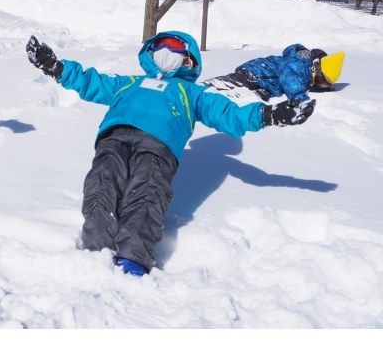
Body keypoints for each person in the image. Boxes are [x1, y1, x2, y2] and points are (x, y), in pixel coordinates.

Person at [26, 31, 316, 277]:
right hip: (114, 137)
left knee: (147, 191)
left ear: (189, 60)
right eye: (162, 47)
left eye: (178, 49)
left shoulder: (193, 93)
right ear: (150, 53)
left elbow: (227, 113)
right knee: (102, 184)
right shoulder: (129, 82)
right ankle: (95, 249)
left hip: (159, 145)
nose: (168, 52)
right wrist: (55, 66)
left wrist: (269, 115)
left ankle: (133, 256)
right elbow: (91, 81)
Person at [202, 45, 345, 103]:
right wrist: (300, 99)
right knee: (226, 84)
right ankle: (202, 88)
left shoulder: (302, 68)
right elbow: (293, 84)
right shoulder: (298, 65)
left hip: (262, 82)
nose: (318, 84)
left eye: (323, 84)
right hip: (254, 74)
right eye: (320, 80)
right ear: (315, 67)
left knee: (247, 96)